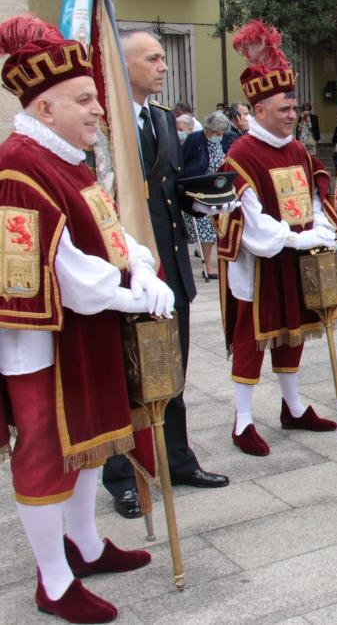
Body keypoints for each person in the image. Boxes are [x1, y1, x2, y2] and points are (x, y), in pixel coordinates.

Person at [0, 14, 174, 623]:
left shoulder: (66, 159)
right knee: (47, 448)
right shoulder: (21, 166)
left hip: (84, 326)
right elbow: (68, 272)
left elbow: (109, 235)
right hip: (41, 340)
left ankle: (87, 544)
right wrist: (135, 295)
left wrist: (143, 266)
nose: (100, 109)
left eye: (97, 97)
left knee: (89, 443)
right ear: (44, 109)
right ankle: (53, 580)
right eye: (85, 99)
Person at [101, 30, 230, 522]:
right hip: (125, 265)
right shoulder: (107, 123)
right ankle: (124, 475)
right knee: (127, 370)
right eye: (153, 58)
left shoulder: (160, 120)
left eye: (163, 57)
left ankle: (177, 458)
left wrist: (207, 197)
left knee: (172, 366)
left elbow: (169, 189)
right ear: (125, 64)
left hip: (169, 261)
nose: (163, 66)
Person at [217, 20, 337, 456]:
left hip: (295, 257)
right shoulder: (241, 154)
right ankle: (243, 420)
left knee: (293, 332)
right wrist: (295, 238)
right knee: (253, 338)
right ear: (259, 110)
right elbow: (250, 222)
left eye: (295, 107)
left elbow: (311, 198)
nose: (293, 115)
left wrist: (319, 230)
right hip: (259, 262)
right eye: (284, 108)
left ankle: (293, 406)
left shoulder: (297, 151)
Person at [182, 111, 232, 280]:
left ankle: (223, 259)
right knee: (206, 228)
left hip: (220, 189)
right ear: (209, 130)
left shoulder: (223, 140)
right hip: (201, 191)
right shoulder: (195, 139)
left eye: (222, 133)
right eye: (217, 133)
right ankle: (208, 266)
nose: (220, 136)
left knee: (222, 226)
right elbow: (184, 161)